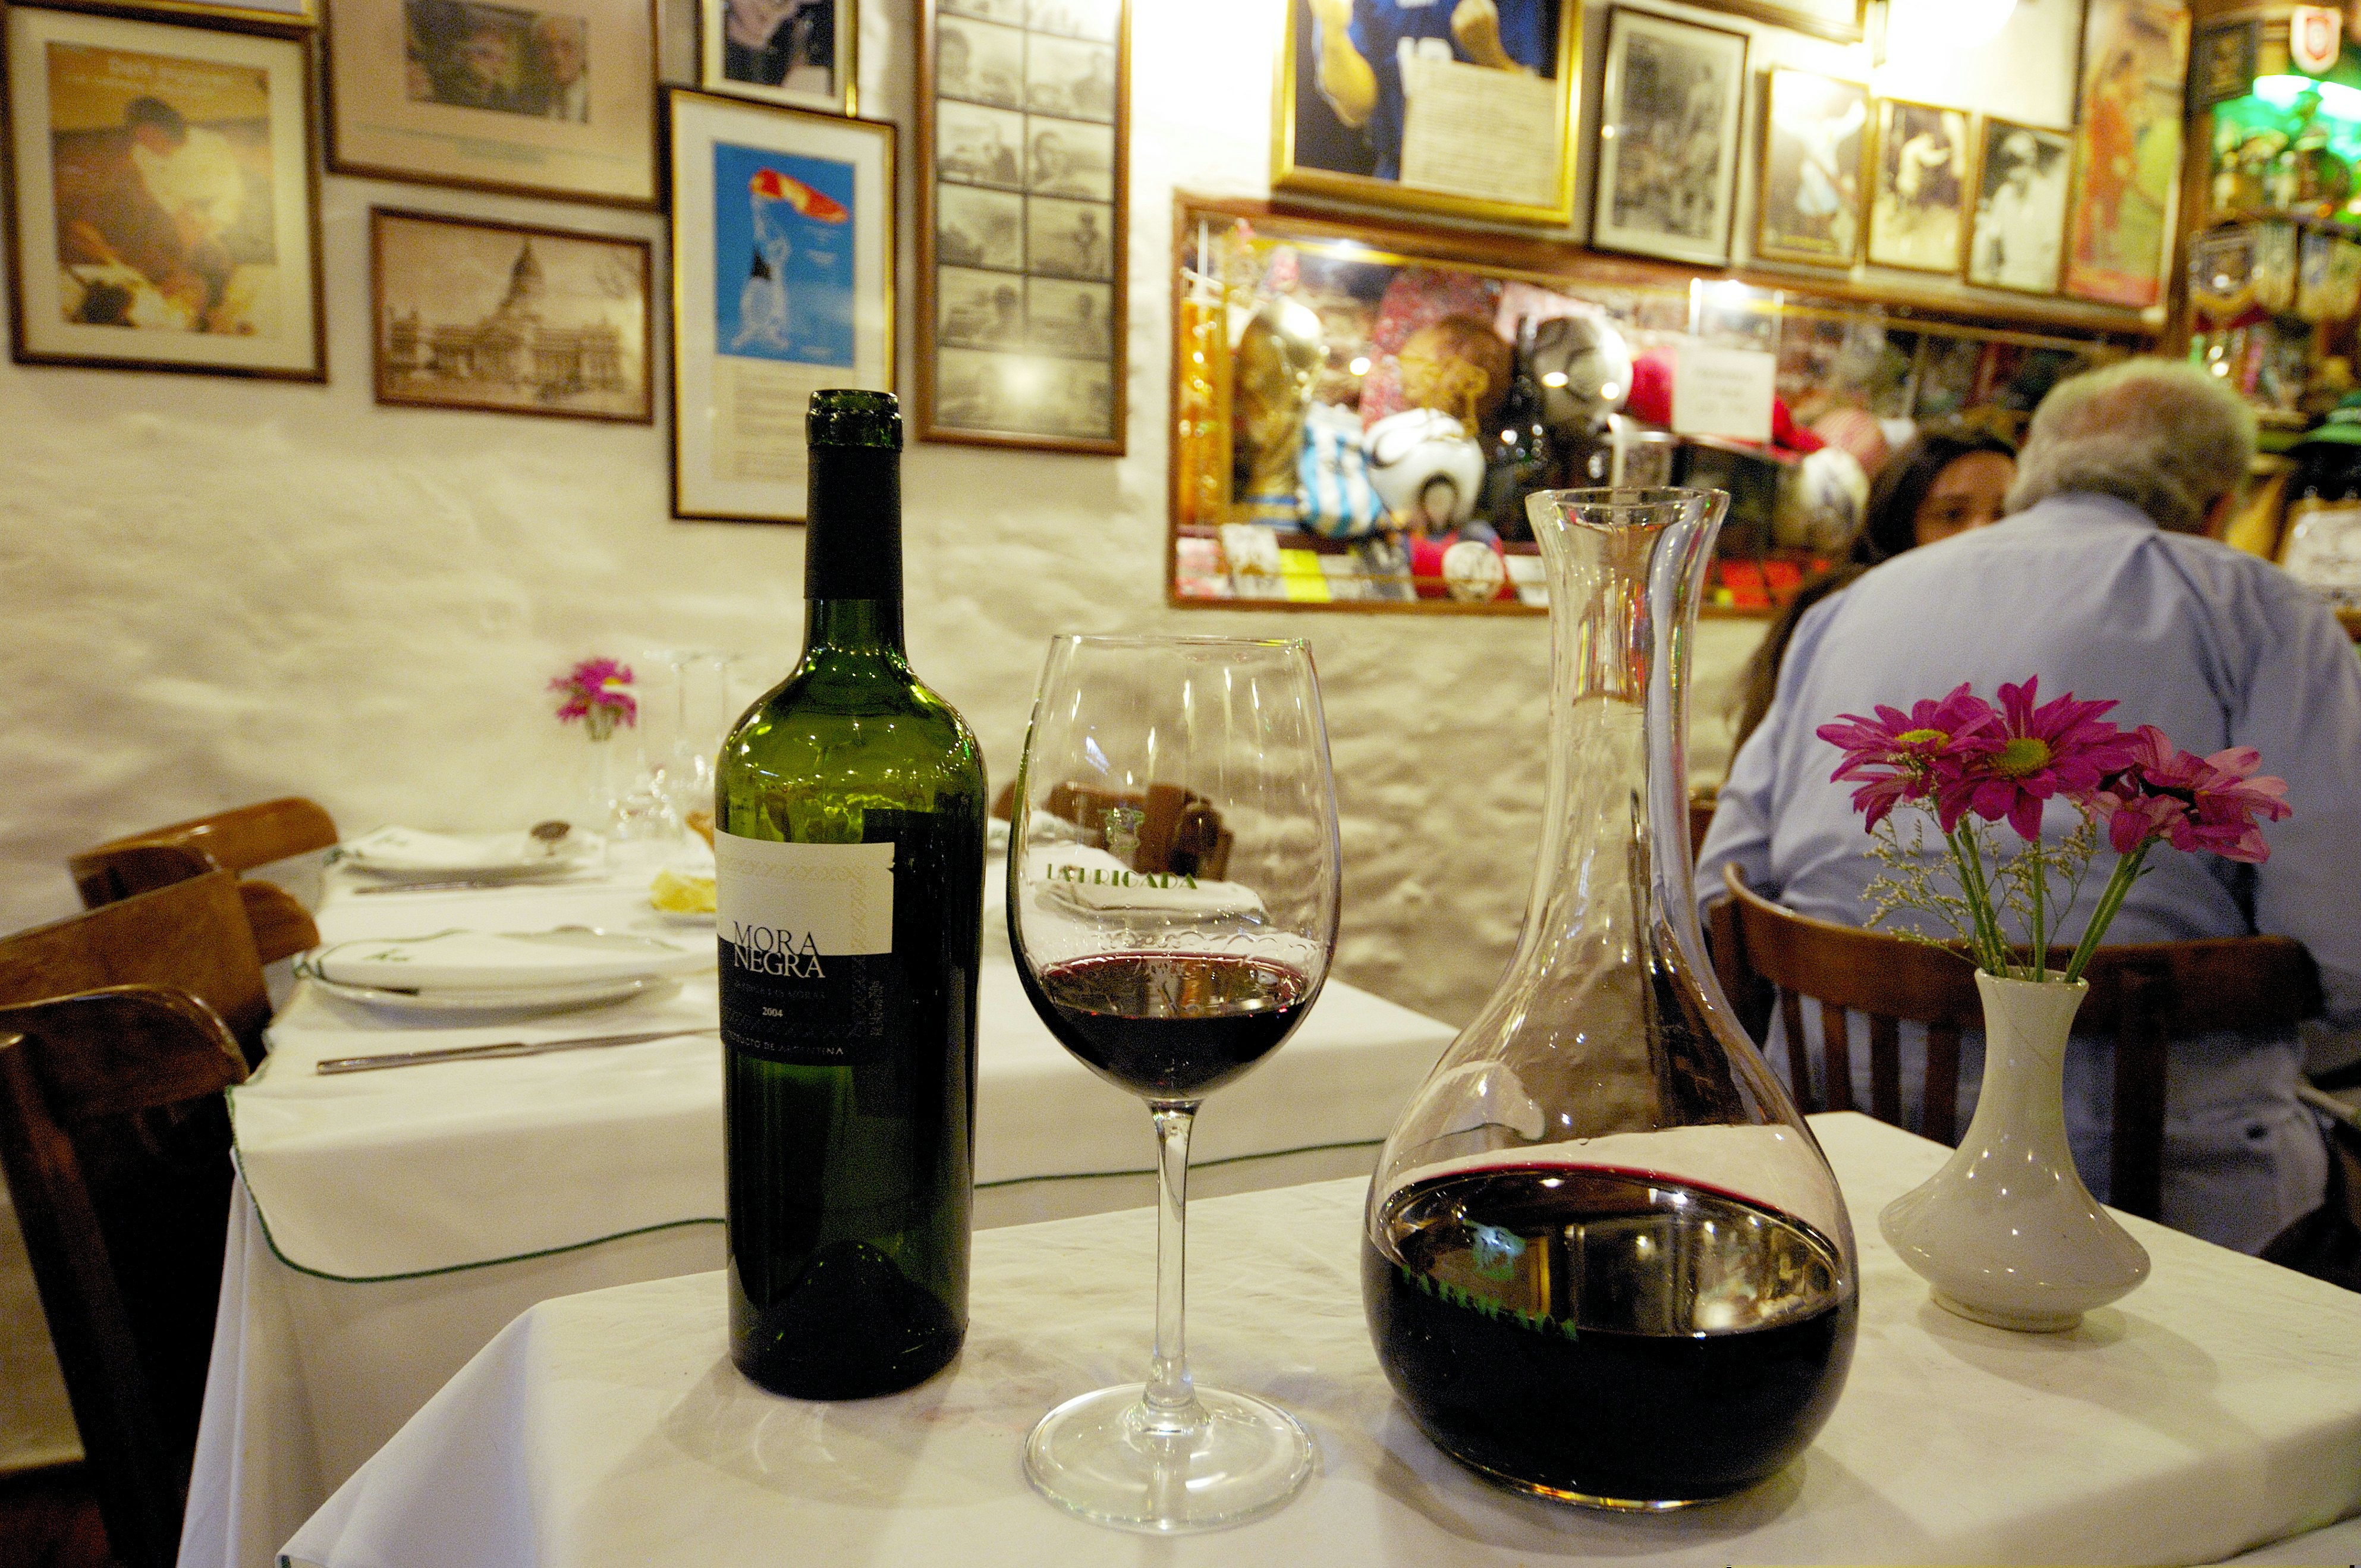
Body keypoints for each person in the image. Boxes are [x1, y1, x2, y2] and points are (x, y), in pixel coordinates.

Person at [1699, 360, 2361, 1259]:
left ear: (2036, 468)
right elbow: (2344, 954)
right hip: (2160, 1196)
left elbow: (1717, 893)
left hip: (1834, 1148)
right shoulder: (2256, 608)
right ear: (2215, 506)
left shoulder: (1849, 606)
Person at [1731, 427, 2019, 753]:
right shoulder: (1848, 612)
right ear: (1900, 524)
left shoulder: (2023, 620)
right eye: (1951, 515)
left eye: (2006, 513)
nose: (1985, 533)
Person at [1306, 0, 1551, 181]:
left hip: (1486, 179)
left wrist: (1492, 55)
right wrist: (1332, 31)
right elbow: (1356, 108)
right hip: (1397, 178)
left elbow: (1536, 127)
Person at [527, 15, 589, 122]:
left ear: (584, 52)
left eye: (566, 46)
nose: (556, 57)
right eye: (547, 46)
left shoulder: (601, 99)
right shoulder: (526, 100)